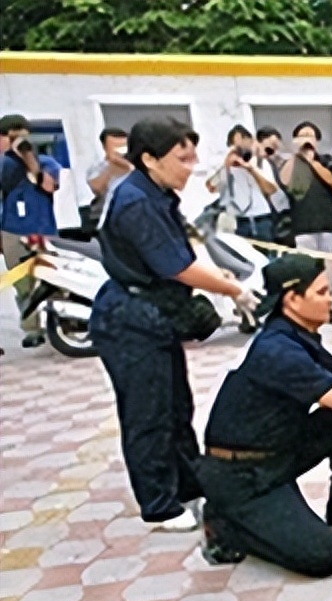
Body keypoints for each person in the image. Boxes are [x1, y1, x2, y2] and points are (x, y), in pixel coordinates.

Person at [197, 253, 332, 576]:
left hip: (277, 449)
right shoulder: (278, 350)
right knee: (321, 556)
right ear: (292, 300)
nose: (331, 299)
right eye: (322, 292)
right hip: (243, 475)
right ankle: (226, 524)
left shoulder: (294, 335)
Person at [90, 116, 261, 531]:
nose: (191, 166)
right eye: (182, 158)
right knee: (148, 413)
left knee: (175, 406)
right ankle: (159, 504)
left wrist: (225, 281)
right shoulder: (136, 202)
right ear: (150, 158)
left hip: (156, 315)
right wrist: (231, 289)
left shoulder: (156, 193)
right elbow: (178, 267)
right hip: (130, 318)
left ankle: (188, 486)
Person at [1, 114, 63, 348]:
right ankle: (32, 328)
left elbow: (48, 185)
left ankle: (64, 323)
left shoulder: (45, 161)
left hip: (43, 229)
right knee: (22, 283)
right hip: (12, 230)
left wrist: (28, 157)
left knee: (54, 278)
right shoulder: (4, 164)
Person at [280, 121, 332, 324]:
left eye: (310, 135)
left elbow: (331, 181)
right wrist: (295, 155)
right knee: (307, 270)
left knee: (331, 272)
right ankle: (309, 308)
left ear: (317, 140)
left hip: (328, 223)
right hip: (303, 226)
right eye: (302, 135)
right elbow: (284, 181)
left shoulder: (326, 160)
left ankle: (330, 306)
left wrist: (312, 161)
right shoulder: (292, 164)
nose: (306, 139)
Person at [207, 125, 280, 242]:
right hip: (239, 221)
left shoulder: (260, 162)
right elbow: (211, 187)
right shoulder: (224, 165)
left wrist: (251, 169)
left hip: (262, 218)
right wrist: (225, 166)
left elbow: (271, 190)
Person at [87, 127, 133, 231]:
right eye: (115, 147)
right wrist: (112, 167)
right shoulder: (98, 167)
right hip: (101, 216)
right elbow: (97, 188)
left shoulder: (133, 165)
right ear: (105, 147)